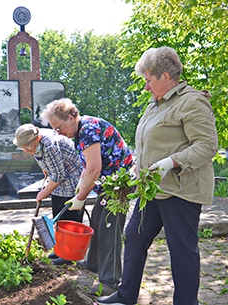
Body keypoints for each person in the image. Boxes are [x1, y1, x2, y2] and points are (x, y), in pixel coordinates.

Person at [97, 47, 218, 305]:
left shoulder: (192, 101)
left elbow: (207, 146)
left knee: (181, 250)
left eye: (148, 80)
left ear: (165, 76)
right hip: (151, 190)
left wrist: (172, 162)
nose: (146, 87)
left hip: (181, 190)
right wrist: (134, 170)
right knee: (134, 237)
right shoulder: (155, 105)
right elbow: (148, 146)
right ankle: (125, 296)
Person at [41, 98, 134, 296]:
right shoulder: (82, 130)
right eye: (55, 130)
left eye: (59, 127)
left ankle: (110, 282)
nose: (59, 133)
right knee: (99, 220)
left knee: (110, 229)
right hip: (109, 185)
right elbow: (87, 165)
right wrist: (80, 188)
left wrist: (81, 197)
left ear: (71, 117)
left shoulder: (87, 130)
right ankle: (94, 263)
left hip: (120, 185)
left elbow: (94, 168)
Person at [13, 124, 83, 265]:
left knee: (69, 218)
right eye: (23, 147)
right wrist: (46, 170)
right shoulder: (37, 145)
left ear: (36, 138)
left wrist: (43, 192)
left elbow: (58, 175)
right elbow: (48, 164)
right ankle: (60, 250)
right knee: (58, 215)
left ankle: (69, 255)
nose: (26, 150)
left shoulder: (50, 146)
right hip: (61, 177)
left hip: (72, 178)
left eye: (27, 146)